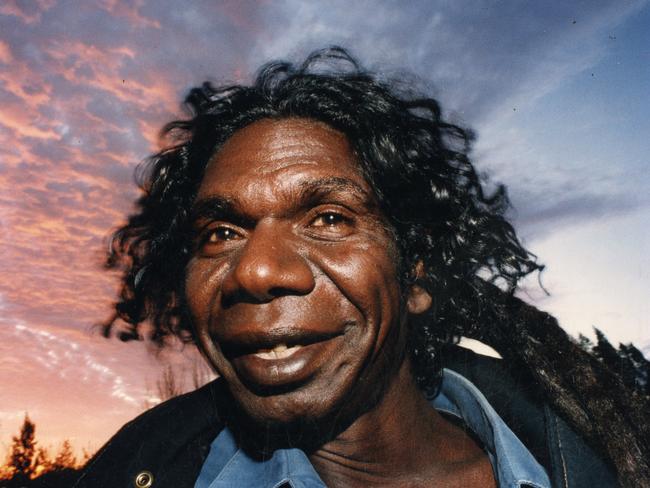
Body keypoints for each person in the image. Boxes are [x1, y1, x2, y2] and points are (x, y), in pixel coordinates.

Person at [74, 48, 648, 487]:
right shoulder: (138, 468)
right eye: (221, 233)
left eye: (327, 219)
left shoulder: (603, 457)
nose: (255, 271)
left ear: (416, 272)